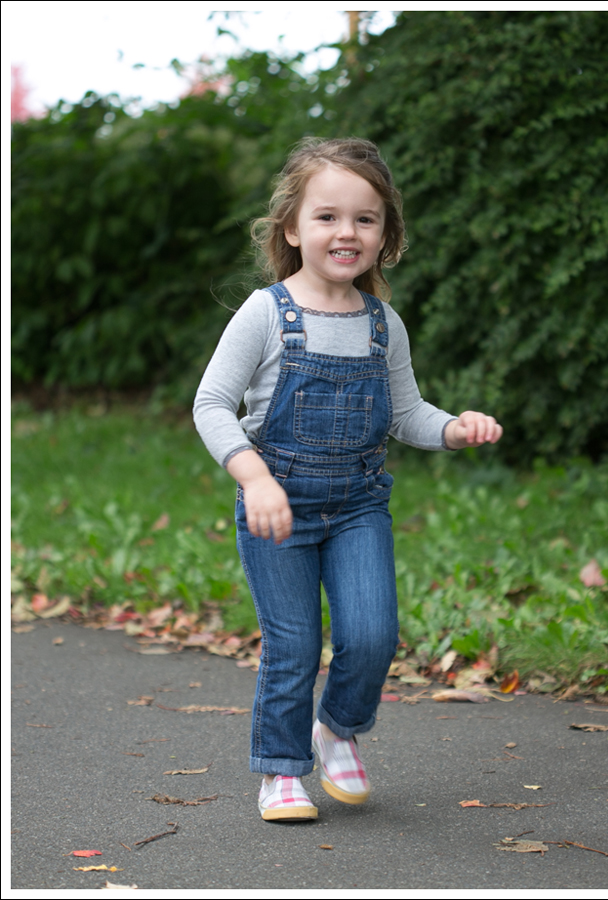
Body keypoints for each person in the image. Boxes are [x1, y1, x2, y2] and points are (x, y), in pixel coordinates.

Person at [193, 137, 502, 822]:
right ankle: (281, 771)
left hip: (359, 506)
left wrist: (454, 427)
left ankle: (335, 729)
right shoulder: (267, 312)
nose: (346, 232)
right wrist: (256, 479)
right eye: (328, 216)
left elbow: (406, 414)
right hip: (279, 506)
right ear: (293, 228)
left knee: (371, 635)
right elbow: (211, 405)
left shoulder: (382, 324)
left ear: (386, 235)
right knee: (294, 643)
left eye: (366, 219)